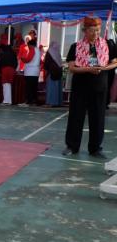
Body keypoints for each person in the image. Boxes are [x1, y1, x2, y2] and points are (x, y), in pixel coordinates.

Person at [63, 17, 117, 158]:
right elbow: (72, 67)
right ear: (85, 31)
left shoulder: (108, 45)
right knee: (76, 117)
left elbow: (115, 62)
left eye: (97, 30)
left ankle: (95, 148)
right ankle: (72, 146)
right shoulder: (76, 46)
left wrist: (104, 67)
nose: (95, 33)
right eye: (92, 30)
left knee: (98, 118)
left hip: (99, 87)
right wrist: (88, 69)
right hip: (81, 87)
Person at [20, 35, 41, 106]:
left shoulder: (32, 49)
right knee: (34, 87)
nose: (28, 47)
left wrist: (22, 58)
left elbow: (28, 59)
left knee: (29, 88)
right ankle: (34, 101)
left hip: (30, 72)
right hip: (35, 72)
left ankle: (28, 101)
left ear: (31, 45)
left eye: (28, 46)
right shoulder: (38, 50)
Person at [44, 41, 63, 107]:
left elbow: (46, 62)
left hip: (52, 73)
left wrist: (46, 70)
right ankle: (58, 102)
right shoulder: (58, 53)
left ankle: (51, 103)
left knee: (51, 88)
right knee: (57, 88)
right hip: (59, 72)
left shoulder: (49, 52)